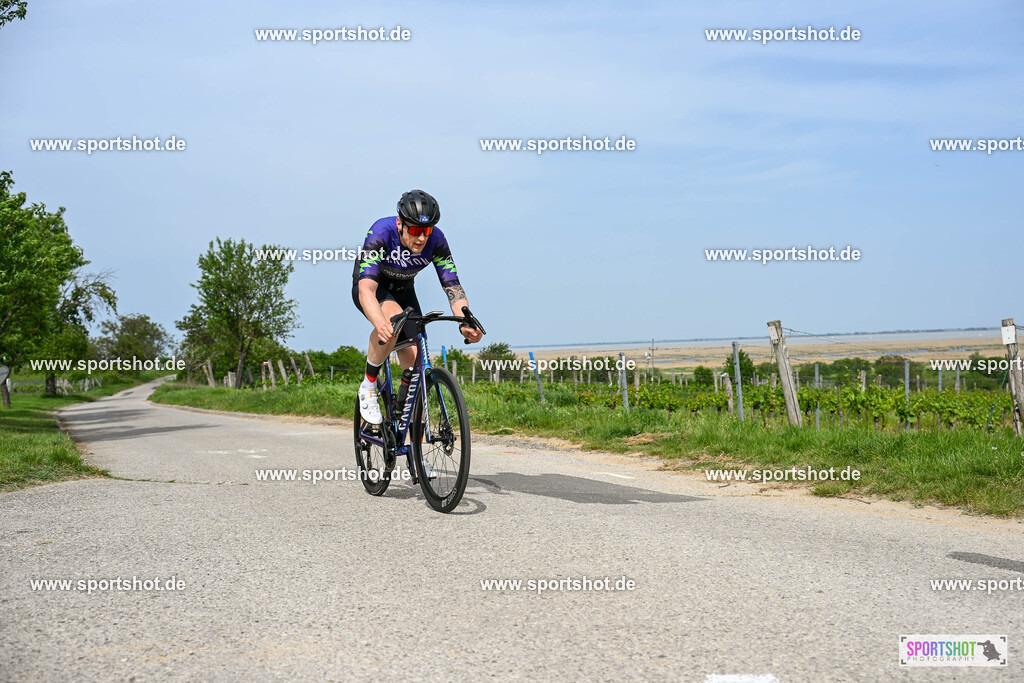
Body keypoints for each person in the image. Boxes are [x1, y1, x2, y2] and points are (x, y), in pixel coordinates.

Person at [352, 189, 482, 425]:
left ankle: (410, 432)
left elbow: (452, 285)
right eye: (414, 230)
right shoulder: (381, 232)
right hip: (374, 288)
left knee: (416, 368)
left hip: (404, 290)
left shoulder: (437, 240)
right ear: (400, 223)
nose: (421, 238)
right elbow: (366, 291)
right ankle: (369, 384)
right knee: (393, 321)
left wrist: (464, 320)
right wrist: (380, 323)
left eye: (427, 230)